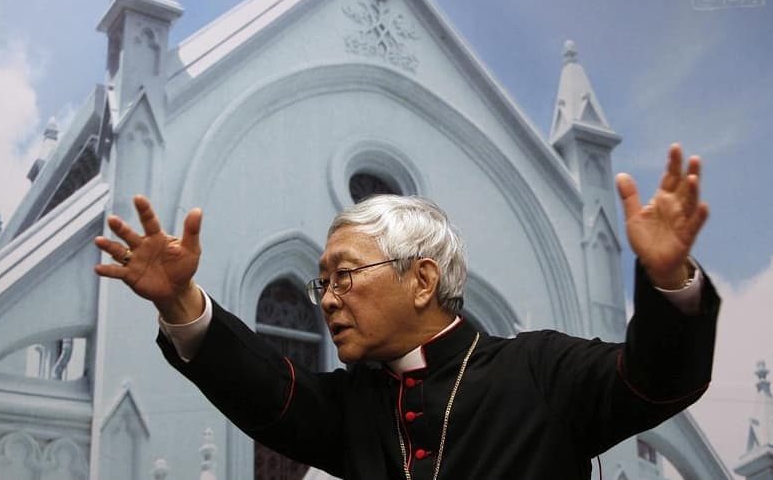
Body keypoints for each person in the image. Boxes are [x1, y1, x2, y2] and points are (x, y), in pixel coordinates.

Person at [94, 144, 719, 479]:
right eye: (320, 284)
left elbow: (656, 381)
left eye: (343, 275)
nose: (328, 299)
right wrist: (179, 300)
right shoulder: (354, 410)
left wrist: (667, 282)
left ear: (421, 280)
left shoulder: (538, 372)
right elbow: (264, 386)